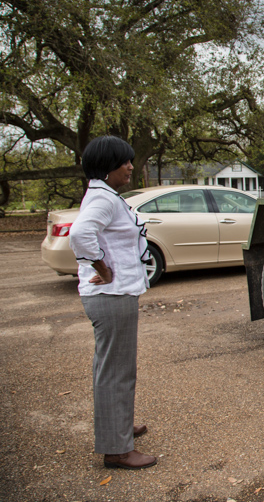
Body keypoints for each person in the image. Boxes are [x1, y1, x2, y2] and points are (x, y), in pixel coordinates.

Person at [69, 135, 156, 470]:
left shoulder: (103, 194)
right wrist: (102, 268)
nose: (131, 167)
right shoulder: (103, 199)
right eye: (125, 162)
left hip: (114, 294)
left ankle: (118, 425)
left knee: (113, 367)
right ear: (107, 168)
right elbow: (81, 234)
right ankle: (117, 449)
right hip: (111, 294)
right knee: (116, 371)